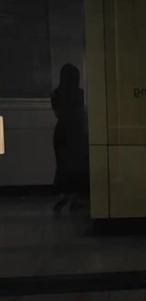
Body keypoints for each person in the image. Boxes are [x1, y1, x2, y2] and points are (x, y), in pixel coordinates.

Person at [51, 63, 89, 211]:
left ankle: (63, 195)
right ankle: (75, 198)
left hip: (61, 131)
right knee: (78, 165)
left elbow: (57, 114)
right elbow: (82, 112)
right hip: (76, 131)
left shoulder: (55, 93)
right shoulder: (80, 93)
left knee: (62, 164)